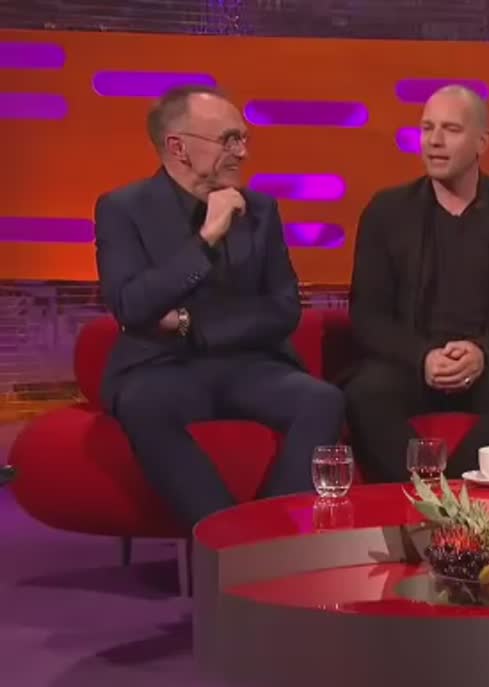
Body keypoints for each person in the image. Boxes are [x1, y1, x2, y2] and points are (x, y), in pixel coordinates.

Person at [93, 85, 345, 529]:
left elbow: (284, 308)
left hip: (250, 365)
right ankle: (226, 535)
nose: (242, 152)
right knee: (143, 405)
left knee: (322, 400)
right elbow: (132, 305)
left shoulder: (261, 210)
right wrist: (206, 238)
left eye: (243, 139)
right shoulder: (123, 209)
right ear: (178, 147)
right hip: (160, 366)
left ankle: (269, 536)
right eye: (229, 140)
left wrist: (190, 324)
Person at [344, 85, 489, 482]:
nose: (435, 141)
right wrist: (423, 357)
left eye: (451, 129)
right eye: (427, 128)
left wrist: (484, 351)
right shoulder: (386, 211)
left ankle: (454, 494)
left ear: (482, 142)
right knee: (365, 391)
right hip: (412, 363)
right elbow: (366, 315)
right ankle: (424, 492)